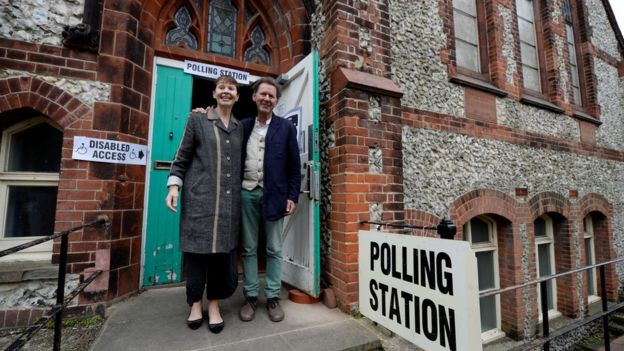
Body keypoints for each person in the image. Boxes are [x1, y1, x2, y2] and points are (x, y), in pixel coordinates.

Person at [165, 75, 243, 334]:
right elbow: (181, 156)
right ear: (213, 93)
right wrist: (173, 187)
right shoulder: (197, 119)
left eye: (231, 88)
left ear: (237, 96)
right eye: (221, 87)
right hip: (199, 201)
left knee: (221, 257)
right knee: (197, 255)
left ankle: (215, 305)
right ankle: (195, 304)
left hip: (228, 205)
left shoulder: (239, 127)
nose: (226, 91)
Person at [238, 77, 301, 323]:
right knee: (249, 248)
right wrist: (201, 113)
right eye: (262, 94)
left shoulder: (286, 128)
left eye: (271, 96)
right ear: (254, 97)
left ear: (276, 101)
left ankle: (273, 296)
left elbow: (294, 168)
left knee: (274, 248)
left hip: (275, 195)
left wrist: (292, 196)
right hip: (246, 192)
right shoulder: (242, 126)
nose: (266, 99)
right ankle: (251, 296)